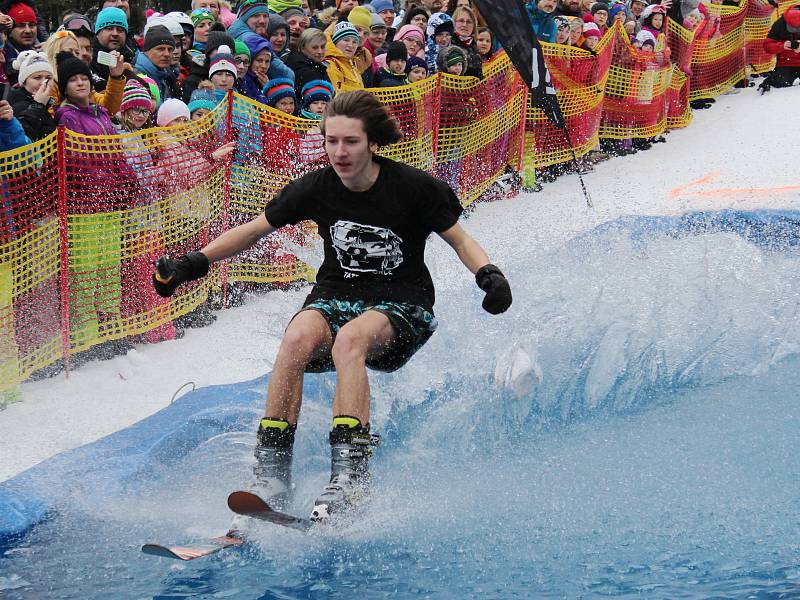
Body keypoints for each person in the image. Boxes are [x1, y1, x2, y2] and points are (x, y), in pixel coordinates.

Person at [151, 89, 512, 523]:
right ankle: (272, 475)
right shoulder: (316, 188)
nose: (339, 152)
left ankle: (350, 477)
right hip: (336, 294)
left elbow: (460, 239)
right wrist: (194, 262)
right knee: (297, 337)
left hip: (403, 304)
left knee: (349, 340)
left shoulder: (415, 188)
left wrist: (488, 274)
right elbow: (255, 229)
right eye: (331, 141)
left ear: (372, 143)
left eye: (351, 142)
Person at [8, 50, 55, 141]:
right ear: (24, 82)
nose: (43, 82)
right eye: (37, 77)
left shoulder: (48, 104)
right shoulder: (17, 106)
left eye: (48, 78)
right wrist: (38, 105)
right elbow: (23, 137)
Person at [759, 5, 800, 92]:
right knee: (781, 83)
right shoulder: (779, 25)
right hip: (786, 63)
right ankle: (772, 79)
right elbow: (767, 46)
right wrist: (782, 46)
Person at [326, 22, 366, 92]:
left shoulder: (353, 65)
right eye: (346, 40)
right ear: (335, 42)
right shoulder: (331, 65)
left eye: (355, 42)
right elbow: (336, 94)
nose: (351, 45)